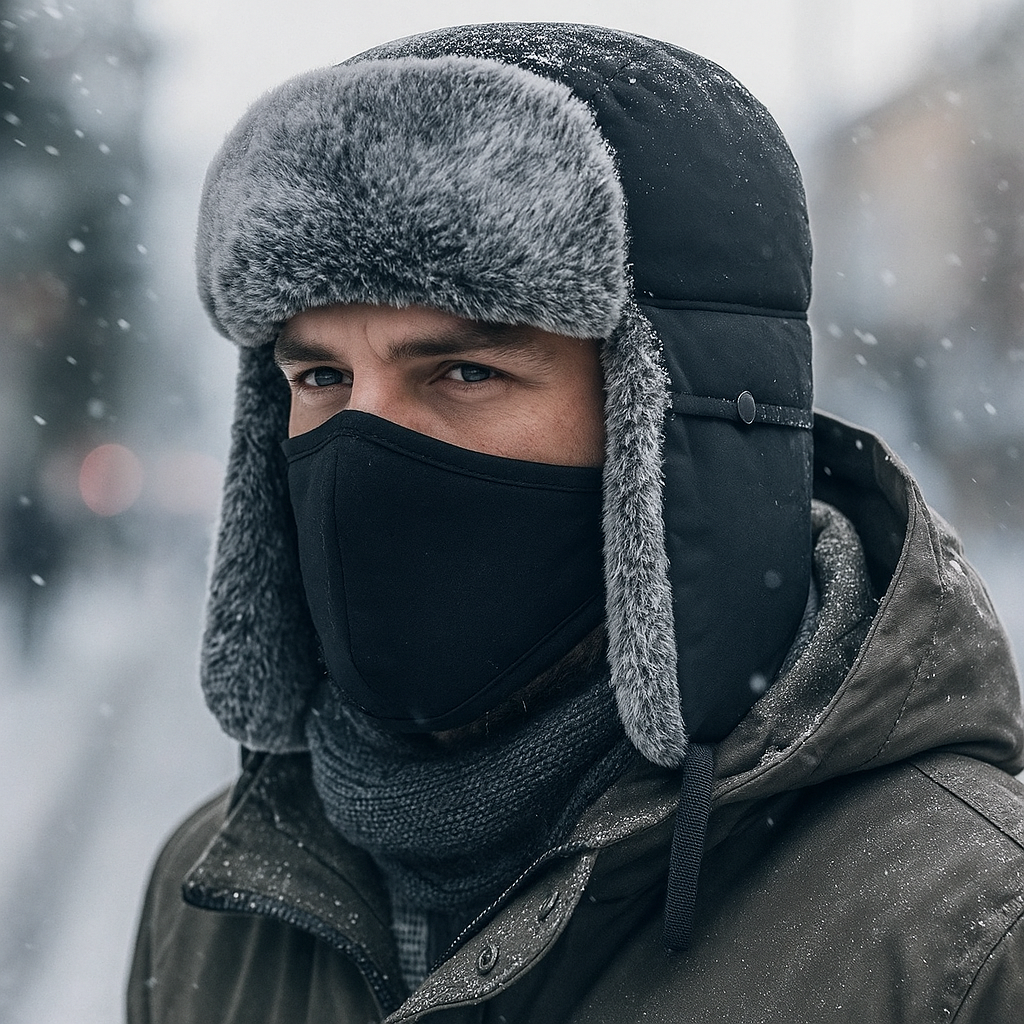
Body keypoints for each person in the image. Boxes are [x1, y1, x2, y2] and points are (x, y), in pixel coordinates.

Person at [127, 23, 1024, 1023]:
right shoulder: (211, 897)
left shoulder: (962, 938)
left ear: (668, 438)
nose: (363, 453)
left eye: (464, 371)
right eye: (321, 377)